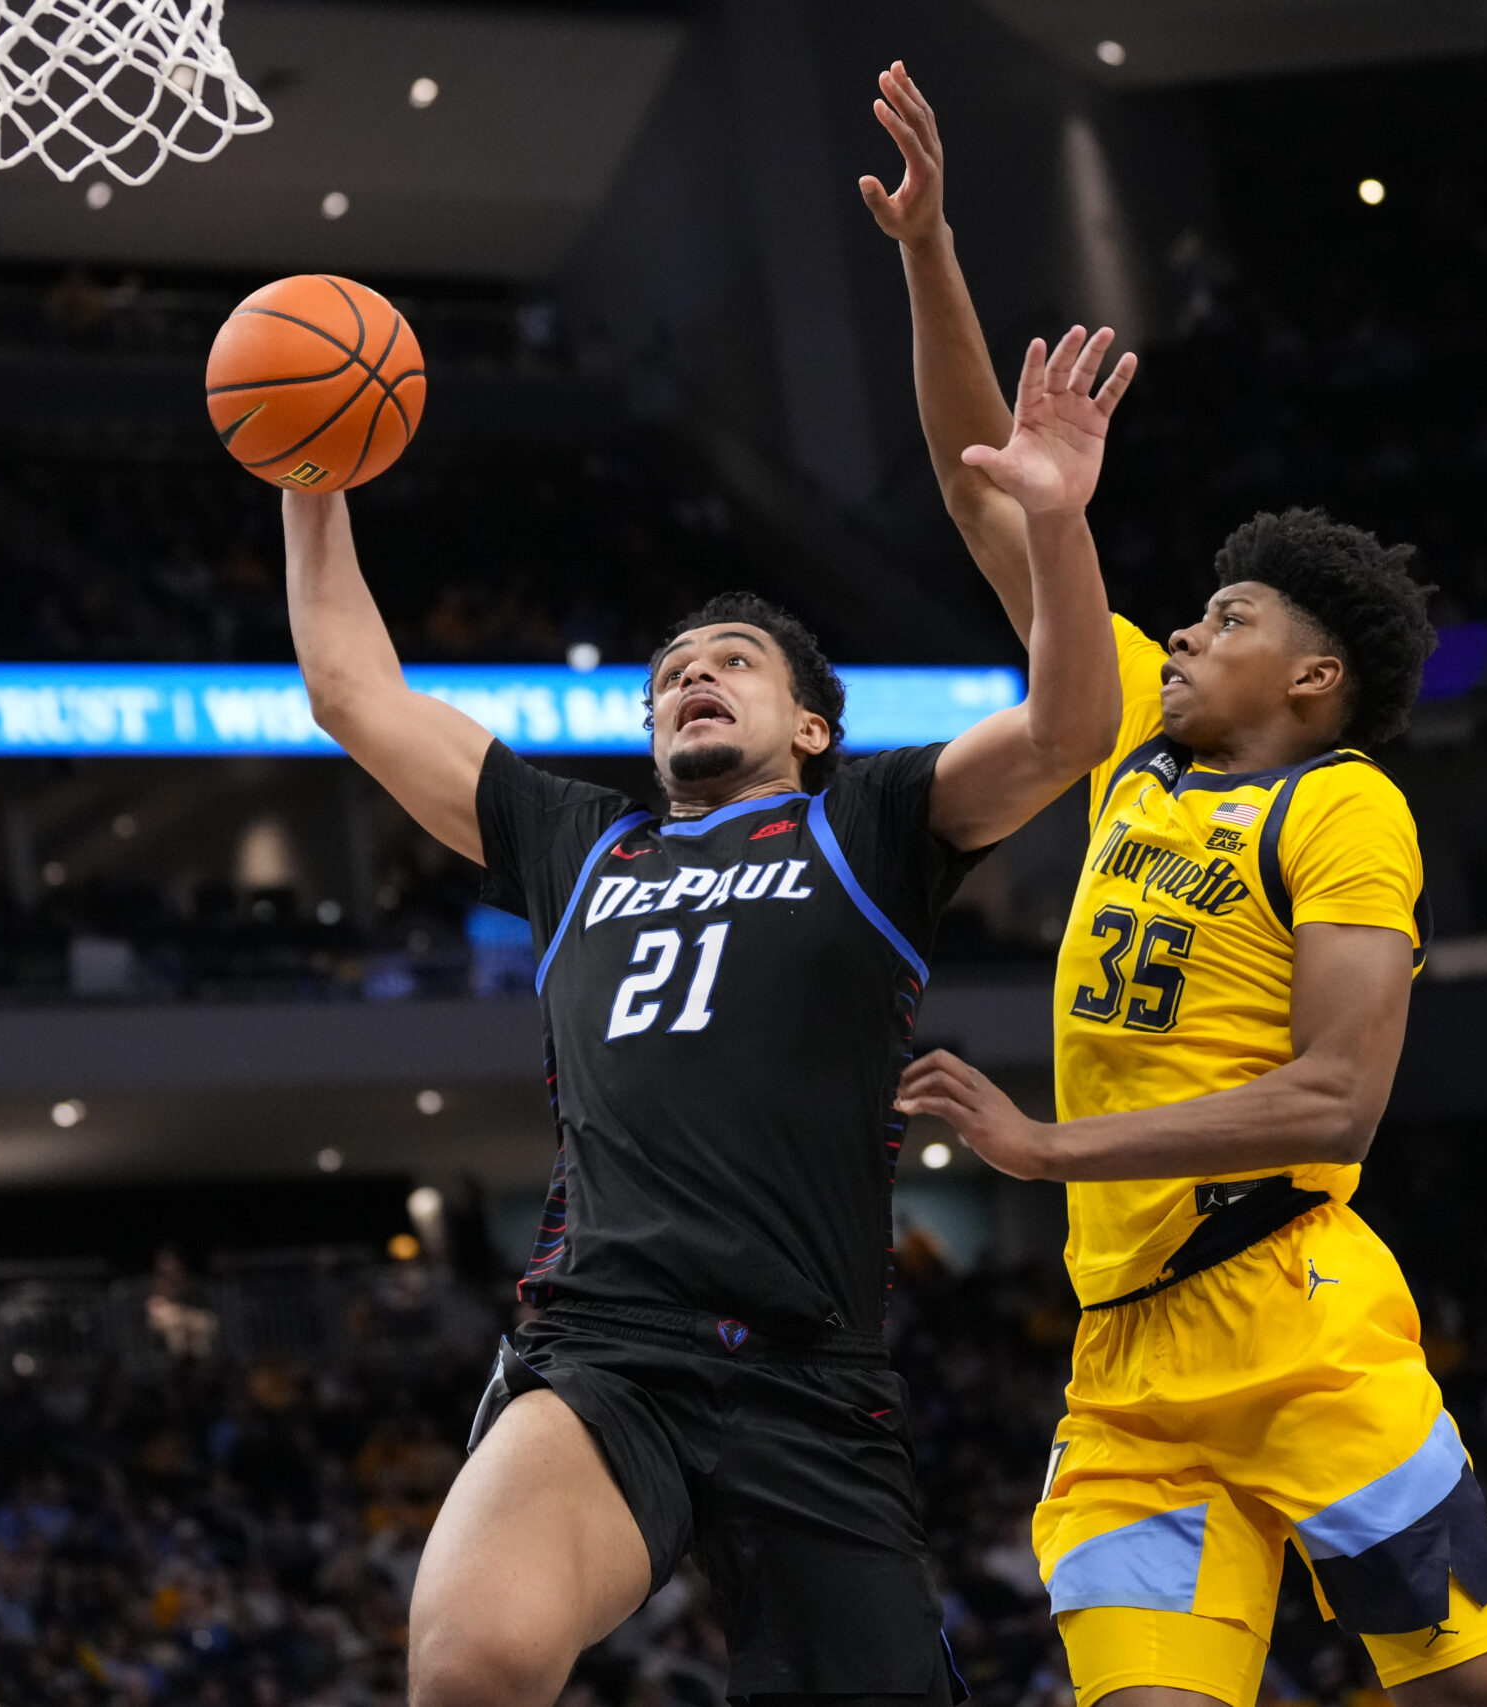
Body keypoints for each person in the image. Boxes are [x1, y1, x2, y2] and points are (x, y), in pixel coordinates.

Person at [280, 312, 1135, 1707]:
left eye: (733, 658)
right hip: (609, 1349)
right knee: (473, 1660)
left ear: (812, 729)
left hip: (812, 1382)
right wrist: (311, 477)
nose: (692, 674)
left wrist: (1055, 526)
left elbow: (1069, 729)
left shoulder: (868, 824)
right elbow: (353, 693)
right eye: (672, 670)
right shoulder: (581, 847)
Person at [863, 63, 1487, 1707]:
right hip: (1124, 1368)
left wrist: (1044, 1146)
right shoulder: (1130, 755)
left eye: (1227, 623)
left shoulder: (1344, 807)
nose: (1184, 632)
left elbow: (1332, 1101)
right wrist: (929, 248)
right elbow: (984, 487)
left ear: (1313, 683)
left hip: (1301, 1325)